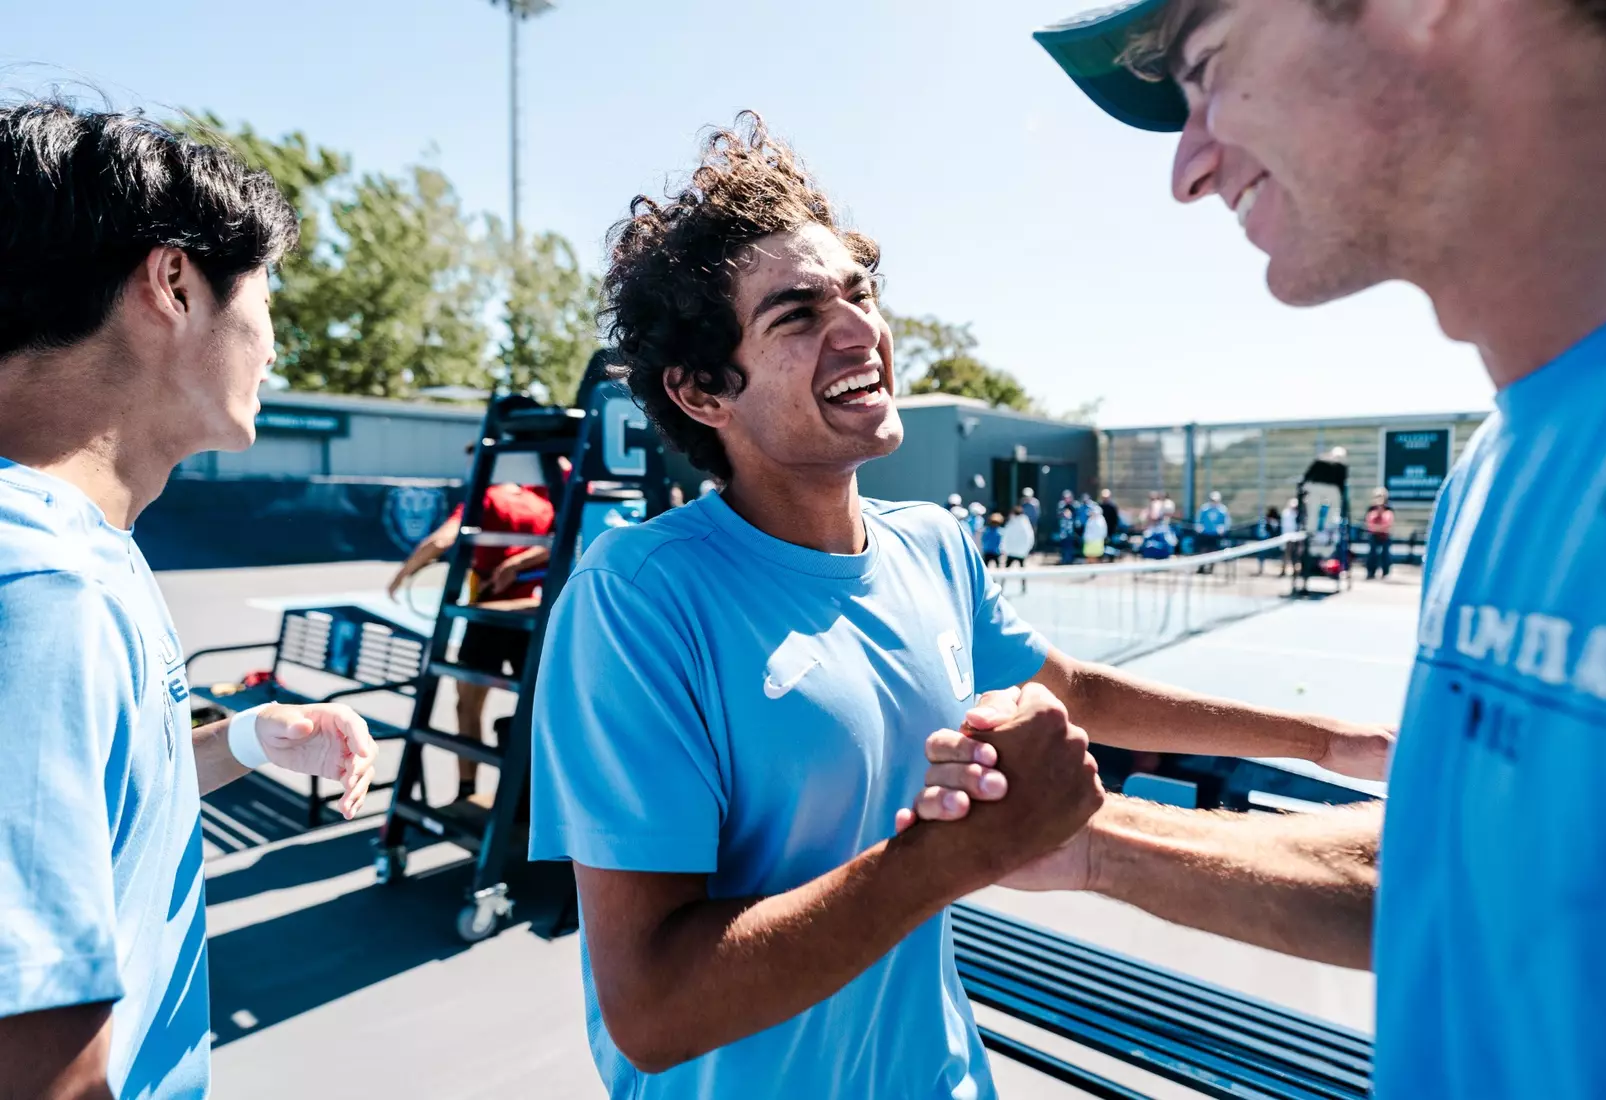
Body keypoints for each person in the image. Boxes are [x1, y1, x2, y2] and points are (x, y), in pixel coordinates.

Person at [527, 114, 1390, 1100]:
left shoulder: (931, 541)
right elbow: (655, 1011)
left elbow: (1076, 690)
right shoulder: (635, 600)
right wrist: (948, 857)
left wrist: (1323, 738)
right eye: (797, 315)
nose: (861, 332)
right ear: (702, 391)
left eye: (860, 293)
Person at [909, 1, 1606, 1094]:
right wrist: (1086, 840)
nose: (1189, 168)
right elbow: (1452, 875)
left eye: (1206, 67)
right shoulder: (1499, 468)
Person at [0, 101, 379, 1099]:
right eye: (265, 302)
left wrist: (246, 740)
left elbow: (89, 801)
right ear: (173, 283)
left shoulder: (81, 549)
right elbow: (35, 1058)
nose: (273, 347)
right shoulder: (43, 588)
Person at [387, 450, 559, 802]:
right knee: (545, 707)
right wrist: (522, 560)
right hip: (535, 616)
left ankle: (466, 792)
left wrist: (402, 575)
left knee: (468, 706)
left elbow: (440, 541)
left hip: (488, 617)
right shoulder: (545, 497)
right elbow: (564, 538)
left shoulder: (485, 497)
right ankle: (540, 795)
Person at [1000, 506, 1036, 590]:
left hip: (1011, 552)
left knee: (1006, 571)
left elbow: (1005, 537)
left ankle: (1002, 587)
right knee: (1022, 571)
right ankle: (1023, 587)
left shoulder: (1011, 523)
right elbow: (1030, 537)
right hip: (1022, 552)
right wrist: (1027, 550)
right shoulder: (1025, 523)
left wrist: (1004, 549)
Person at [1364, 488, 1395, 580]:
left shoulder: (1389, 509)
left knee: (1385, 553)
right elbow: (1369, 524)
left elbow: (1388, 524)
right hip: (1373, 535)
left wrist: (1379, 526)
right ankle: (1371, 572)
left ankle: (1385, 572)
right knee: (1372, 553)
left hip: (1385, 535)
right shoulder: (1371, 509)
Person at [1280, 497, 1301, 577]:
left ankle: (1294, 570)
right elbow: (1288, 527)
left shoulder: (1296, 514)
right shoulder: (1287, 513)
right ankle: (1283, 570)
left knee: (1295, 555)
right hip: (1287, 538)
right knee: (1286, 555)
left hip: (1295, 538)